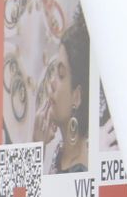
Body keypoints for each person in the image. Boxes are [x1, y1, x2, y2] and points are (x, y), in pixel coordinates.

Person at [39, 14, 91, 174]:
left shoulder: (79, 172)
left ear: (77, 97)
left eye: (61, 75)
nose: (52, 82)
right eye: (54, 72)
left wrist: (35, 147)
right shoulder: (59, 150)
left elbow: (22, 190)